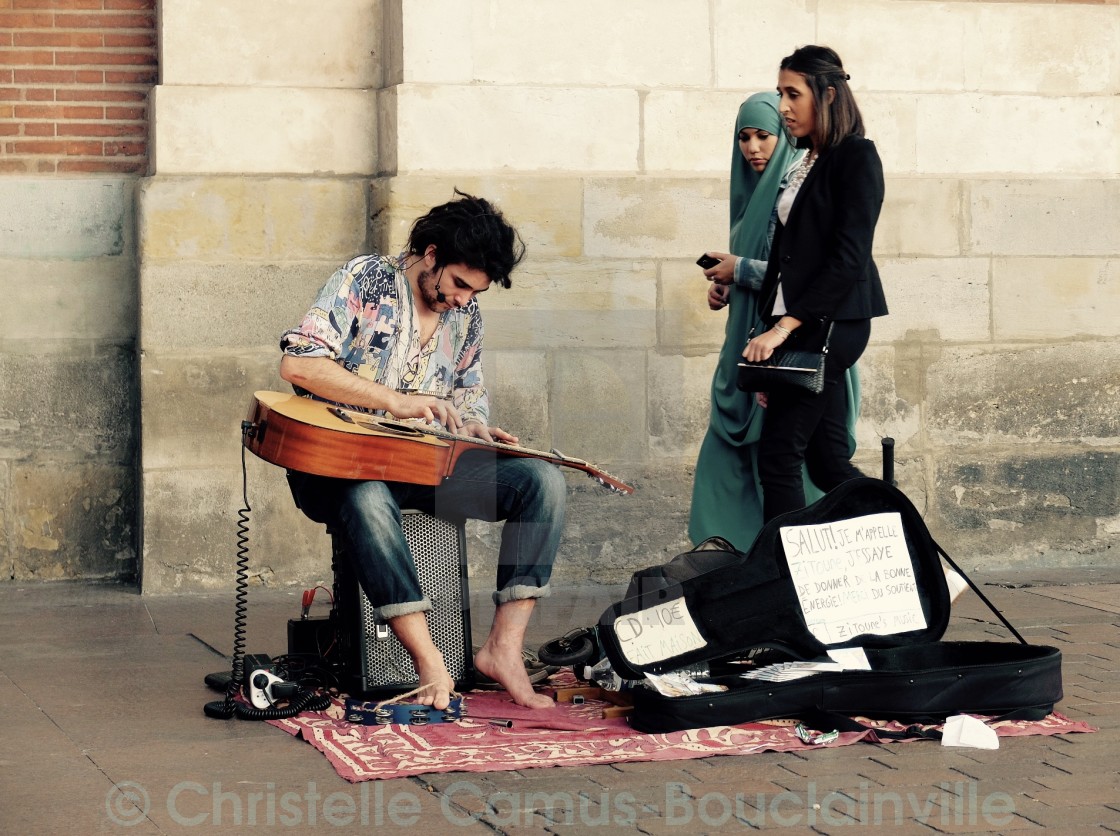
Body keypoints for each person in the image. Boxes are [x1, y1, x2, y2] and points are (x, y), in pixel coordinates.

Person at [278, 190, 566, 710]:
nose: (461, 299)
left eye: (473, 292)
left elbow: (467, 401)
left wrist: (477, 430)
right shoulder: (364, 281)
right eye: (457, 284)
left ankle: (503, 649)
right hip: (337, 469)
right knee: (366, 494)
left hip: (423, 467)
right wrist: (394, 401)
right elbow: (299, 365)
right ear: (430, 254)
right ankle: (428, 660)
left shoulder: (465, 313)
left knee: (542, 483)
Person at [688, 91, 860, 550]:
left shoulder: (799, 187)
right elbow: (773, 273)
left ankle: (801, 566)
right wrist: (728, 283)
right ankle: (750, 560)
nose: (753, 148)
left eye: (764, 135)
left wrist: (741, 269)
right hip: (753, 349)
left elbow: (813, 272)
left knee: (803, 465)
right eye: (744, 138)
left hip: (795, 346)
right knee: (800, 464)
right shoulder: (755, 197)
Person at [742, 45, 888, 522]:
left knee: (779, 457)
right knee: (827, 463)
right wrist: (772, 346)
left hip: (829, 324)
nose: (783, 105)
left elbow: (848, 259)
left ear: (826, 94)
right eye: (781, 92)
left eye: (792, 93)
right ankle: (898, 542)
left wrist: (783, 331)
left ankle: (783, 582)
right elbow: (785, 263)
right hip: (799, 325)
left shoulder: (856, 156)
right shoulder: (805, 162)